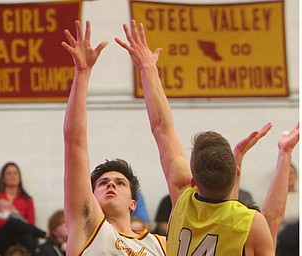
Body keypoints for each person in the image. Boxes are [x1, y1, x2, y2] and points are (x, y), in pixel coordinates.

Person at [115, 19, 299, 255]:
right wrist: (284, 153)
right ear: (235, 176)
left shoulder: (182, 198)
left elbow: (161, 128)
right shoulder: (250, 224)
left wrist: (148, 68)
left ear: (193, 181)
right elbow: (272, 219)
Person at [61, 20, 166, 255]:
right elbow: (74, 141)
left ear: (133, 203)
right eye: (102, 183)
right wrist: (82, 73)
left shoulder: (159, 245)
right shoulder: (88, 226)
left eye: (120, 183)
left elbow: (164, 131)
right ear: (92, 197)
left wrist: (149, 71)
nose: (111, 184)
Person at [0, 162, 46, 256]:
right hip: (0, 241)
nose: (12, 176)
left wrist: (18, 225)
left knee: (28, 236)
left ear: (19, 177)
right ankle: (44, 234)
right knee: (13, 221)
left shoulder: (27, 199)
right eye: (9, 173)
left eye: (15, 173)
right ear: (3, 178)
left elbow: (30, 223)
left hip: (21, 240)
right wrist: (14, 224)